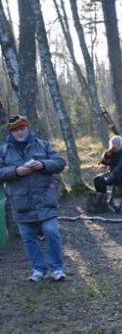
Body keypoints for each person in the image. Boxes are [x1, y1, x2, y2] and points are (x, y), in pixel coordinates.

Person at [0, 115, 67, 281]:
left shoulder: (42, 144)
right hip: (20, 203)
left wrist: (43, 165)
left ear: (28, 128)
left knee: (52, 232)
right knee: (28, 238)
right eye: (16, 130)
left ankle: (57, 269)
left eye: (22, 128)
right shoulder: (3, 151)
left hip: (45, 200)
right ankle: (38, 270)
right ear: (11, 132)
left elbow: (59, 162)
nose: (20, 132)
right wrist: (16, 171)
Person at [93, 134, 122, 203]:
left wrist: (110, 176)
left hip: (119, 175)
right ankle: (102, 198)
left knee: (101, 181)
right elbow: (105, 163)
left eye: (114, 144)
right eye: (112, 144)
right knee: (96, 179)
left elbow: (119, 166)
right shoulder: (111, 152)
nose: (113, 146)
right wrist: (104, 158)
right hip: (111, 172)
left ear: (118, 144)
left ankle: (104, 200)